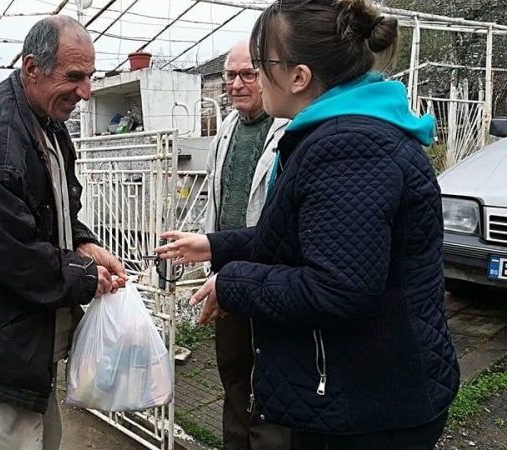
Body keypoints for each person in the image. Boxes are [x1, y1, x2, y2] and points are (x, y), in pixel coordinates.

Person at [155, 0, 460, 449]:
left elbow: (338, 286)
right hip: (361, 393)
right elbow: (310, 238)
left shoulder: (350, 145)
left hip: (366, 409)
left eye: (261, 65)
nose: (254, 77)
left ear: (299, 77)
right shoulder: (345, 132)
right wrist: (216, 246)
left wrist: (232, 281)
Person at [0, 16, 128, 450]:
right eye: (74, 77)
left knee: (41, 438)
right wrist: (85, 278)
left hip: (24, 340)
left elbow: (52, 209)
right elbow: (5, 252)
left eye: (90, 77)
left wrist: (83, 243)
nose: (86, 92)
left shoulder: (45, 121)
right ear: (32, 68)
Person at [203, 40, 290, 450]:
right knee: (233, 371)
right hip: (227, 277)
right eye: (229, 76)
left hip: (270, 277)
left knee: (270, 377)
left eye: (247, 75)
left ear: (267, 75)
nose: (236, 85)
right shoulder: (226, 129)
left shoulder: (288, 130)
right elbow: (216, 201)